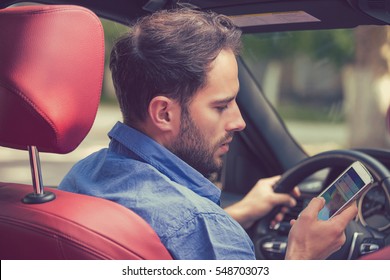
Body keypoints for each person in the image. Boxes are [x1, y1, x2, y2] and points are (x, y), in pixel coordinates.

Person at [59, 8, 357, 260]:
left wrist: (240, 212)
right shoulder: (202, 226)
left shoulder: (83, 176)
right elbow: (186, 227)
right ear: (164, 113)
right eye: (222, 105)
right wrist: (302, 255)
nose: (239, 121)